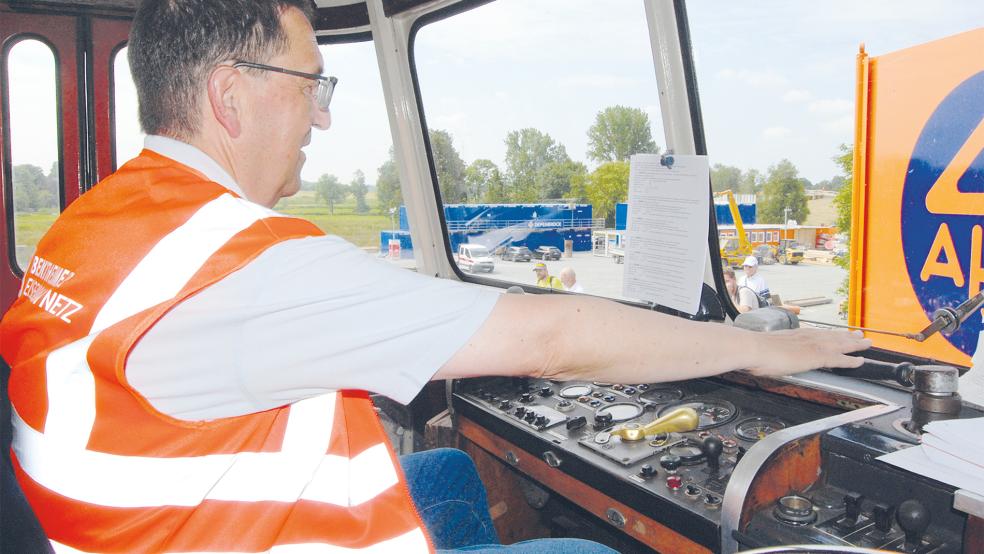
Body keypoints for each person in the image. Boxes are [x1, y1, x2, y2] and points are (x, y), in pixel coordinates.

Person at [0, 2, 870, 552]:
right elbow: (551, 338)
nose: (324, 115)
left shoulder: (105, 218)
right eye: (313, 83)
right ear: (232, 94)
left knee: (448, 479)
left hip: (133, 528)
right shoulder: (242, 265)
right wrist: (764, 352)